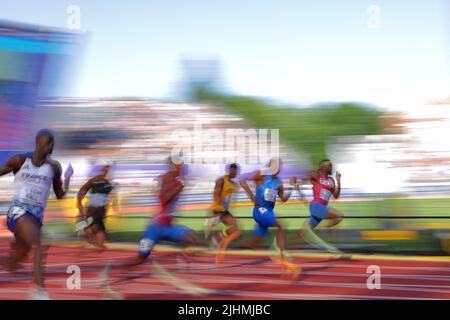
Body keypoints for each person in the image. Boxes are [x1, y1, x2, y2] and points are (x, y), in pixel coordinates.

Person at [0, 129, 73, 299]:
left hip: (36, 217)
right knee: (40, 243)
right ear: (38, 142)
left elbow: (60, 195)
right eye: (48, 142)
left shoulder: (54, 167)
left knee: (12, 263)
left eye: (52, 142)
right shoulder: (20, 160)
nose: (51, 145)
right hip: (19, 211)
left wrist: (68, 178)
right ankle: (39, 291)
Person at [239, 158, 300, 279]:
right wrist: (251, 196)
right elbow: (242, 180)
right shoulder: (260, 174)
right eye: (276, 166)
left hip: (268, 212)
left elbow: (283, 199)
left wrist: (292, 187)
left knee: (253, 244)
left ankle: (230, 246)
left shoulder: (279, 182)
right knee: (281, 226)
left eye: (280, 167)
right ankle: (282, 258)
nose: (278, 169)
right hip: (260, 210)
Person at [135, 156, 197, 264]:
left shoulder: (176, 181)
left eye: (182, 165)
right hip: (155, 228)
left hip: (167, 227)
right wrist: (178, 188)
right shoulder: (166, 179)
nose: (181, 168)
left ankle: (182, 260)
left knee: (190, 237)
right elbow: (165, 198)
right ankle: (115, 272)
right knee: (140, 259)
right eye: (179, 166)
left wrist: (180, 186)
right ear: (172, 166)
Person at [297, 159, 348, 257]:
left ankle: (288, 249)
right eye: (329, 165)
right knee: (338, 216)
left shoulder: (331, 180)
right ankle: (329, 242)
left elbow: (336, 196)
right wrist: (298, 188)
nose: (331, 167)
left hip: (322, 208)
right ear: (323, 167)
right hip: (316, 206)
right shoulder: (316, 175)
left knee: (303, 232)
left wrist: (338, 180)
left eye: (331, 165)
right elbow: (302, 179)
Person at [204, 163, 242, 262]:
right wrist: (220, 206)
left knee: (237, 230)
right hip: (218, 209)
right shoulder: (221, 180)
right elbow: (216, 194)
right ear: (230, 170)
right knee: (236, 228)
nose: (236, 173)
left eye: (237, 171)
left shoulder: (233, 184)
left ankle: (217, 237)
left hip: (224, 210)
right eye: (234, 171)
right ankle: (213, 224)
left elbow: (233, 190)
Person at [76, 163, 115, 251]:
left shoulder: (108, 183)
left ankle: (91, 237)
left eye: (107, 168)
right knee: (95, 227)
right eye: (105, 168)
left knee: (98, 228)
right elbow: (83, 190)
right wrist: (79, 203)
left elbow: (107, 198)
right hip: (95, 208)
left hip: (98, 208)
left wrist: (106, 208)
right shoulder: (97, 180)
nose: (107, 170)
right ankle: (87, 232)